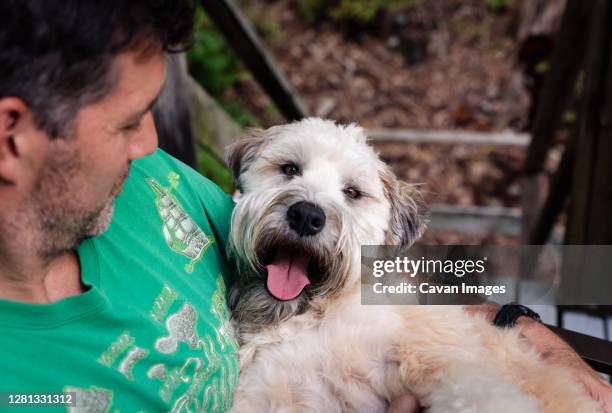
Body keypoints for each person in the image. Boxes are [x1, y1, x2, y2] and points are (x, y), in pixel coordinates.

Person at [0, 1, 609, 412]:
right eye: (130, 122)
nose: (153, 144)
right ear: (12, 135)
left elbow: (401, 270)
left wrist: (519, 316)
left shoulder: (153, 185)